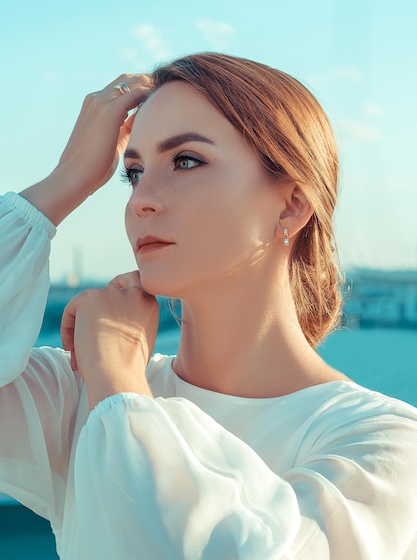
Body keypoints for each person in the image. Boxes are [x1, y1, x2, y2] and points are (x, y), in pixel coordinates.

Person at [0, 53, 416, 560]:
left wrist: (117, 382)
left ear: (292, 204)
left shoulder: (385, 445)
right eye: (132, 172)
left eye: (186, 161)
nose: (140, 201)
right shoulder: (72, 392)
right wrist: (64, 182)